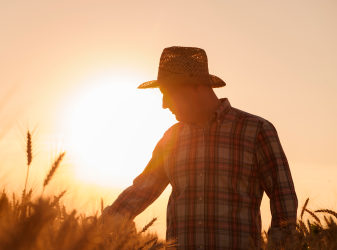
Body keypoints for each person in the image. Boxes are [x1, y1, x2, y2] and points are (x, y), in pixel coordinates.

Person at [102, 46, 298, 249]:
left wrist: (281, 245)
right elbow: (142, 190)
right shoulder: (170, 139)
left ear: (197, 86)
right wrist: (90, 230)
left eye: (168, 93)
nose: (163, 104)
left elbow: (282, 195)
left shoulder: (256, 130)